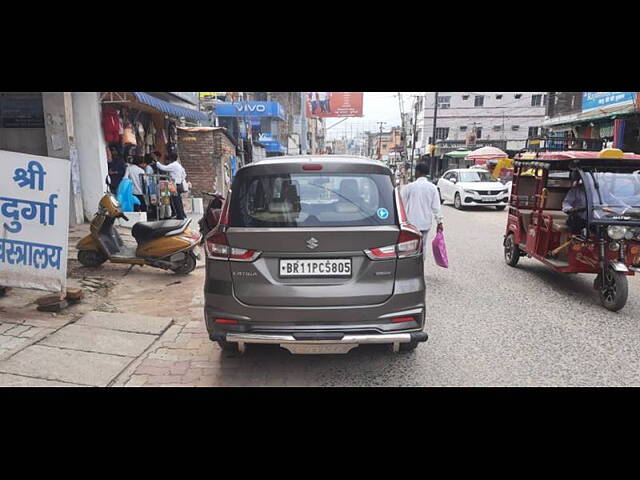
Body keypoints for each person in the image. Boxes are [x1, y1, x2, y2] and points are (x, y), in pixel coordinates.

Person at [401, 163, 444, 253]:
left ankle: (410, 264)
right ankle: (420, 264)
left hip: (411, 224)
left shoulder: (409, 187)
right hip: (425, 223)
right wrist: (439, 223)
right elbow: (436, 207)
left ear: (418, 172)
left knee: (410, 247)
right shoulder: (432, 188)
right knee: (422, 246)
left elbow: (402, 205)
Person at [154, 152, 187, 220]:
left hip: (174, 184)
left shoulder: (173, 165)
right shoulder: (178, 165)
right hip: (178, 184)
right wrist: (180, 179)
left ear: (170, 158)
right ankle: (181, 214)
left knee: (176, 201)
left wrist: (156, 161)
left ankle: (180, 216)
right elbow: (184, 174)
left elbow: (163, 168)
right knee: (178, 200)